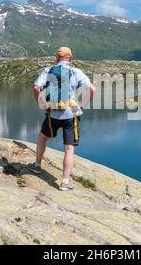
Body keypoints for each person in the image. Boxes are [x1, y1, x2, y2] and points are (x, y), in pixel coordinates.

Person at [29, 47, 96, 191]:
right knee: (69, 148)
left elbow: (36, 87)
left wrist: (41, 104)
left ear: (56, 57)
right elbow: (92, 89)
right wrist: (82, 105)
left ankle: (37, 166)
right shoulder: (76, 72)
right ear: (70, 59)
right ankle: (64, 182)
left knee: (42, 137)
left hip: (52, 113)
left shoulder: (48, 70)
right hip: (71, 114)